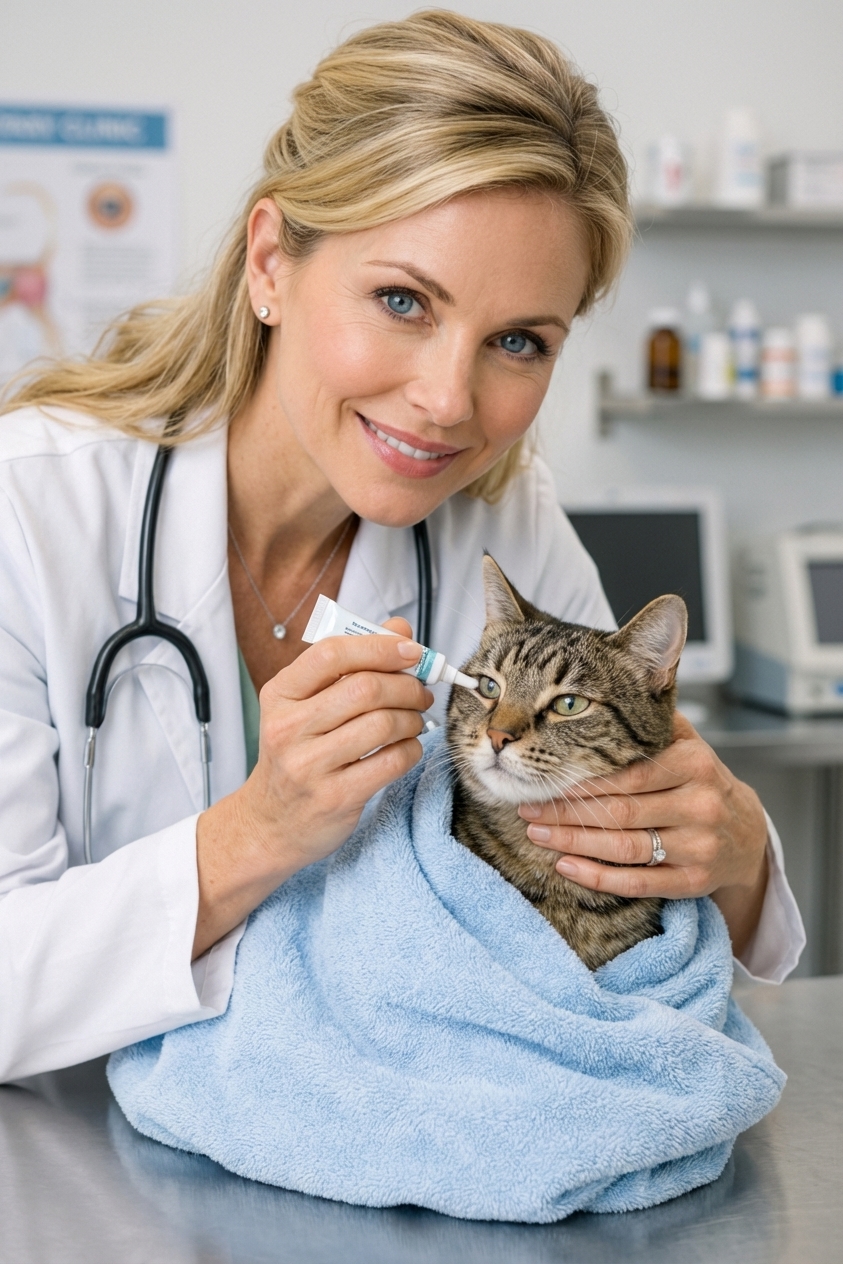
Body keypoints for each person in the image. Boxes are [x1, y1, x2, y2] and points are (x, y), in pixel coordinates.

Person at [0, 11, 803, 1083]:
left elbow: (644, 910)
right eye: (401, 300)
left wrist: (738, 856)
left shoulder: (507, 521)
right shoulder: (30, 509)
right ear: (273, 262)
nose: (445, 401)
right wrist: (256, 833)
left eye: (520, 340)